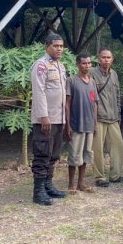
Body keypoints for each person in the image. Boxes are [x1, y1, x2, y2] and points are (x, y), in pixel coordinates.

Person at [29, 32, 68, 206]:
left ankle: (48, 185)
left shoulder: (61, 66)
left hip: (59, 118)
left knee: (54, 154)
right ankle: (38, 192)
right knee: (42, 154)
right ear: (47, 46)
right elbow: (39, 92)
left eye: (61, 46)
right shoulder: (41, 65)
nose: (59, 49)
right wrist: (43, 116)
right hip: (45, 119)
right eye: (56, 46)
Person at [91, 48, 123, 187]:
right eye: (103, 57)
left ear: (112, 59)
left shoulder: (114, 74)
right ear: (98, 59)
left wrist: (119, 114)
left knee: (118, 145)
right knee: (98, 149)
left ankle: (115, 175)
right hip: (99, 117)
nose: (106, 60)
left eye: (109, 57)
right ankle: (99, 177)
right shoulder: (92, 73)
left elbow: (118, 95)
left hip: (113, 118)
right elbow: (90, 97)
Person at [65, 53, 98, 194]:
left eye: (89, 63)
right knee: (74, 155)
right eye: (84, 63)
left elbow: (95, 104)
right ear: (78, 64)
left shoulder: (92, 82)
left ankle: (81, 183)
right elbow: (67, 103)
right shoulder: (71, 81)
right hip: (76, 124)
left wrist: (95, 123)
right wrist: (68, 124)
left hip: (89, 124)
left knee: (86, 155)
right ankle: (71, 184)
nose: (87, 66)